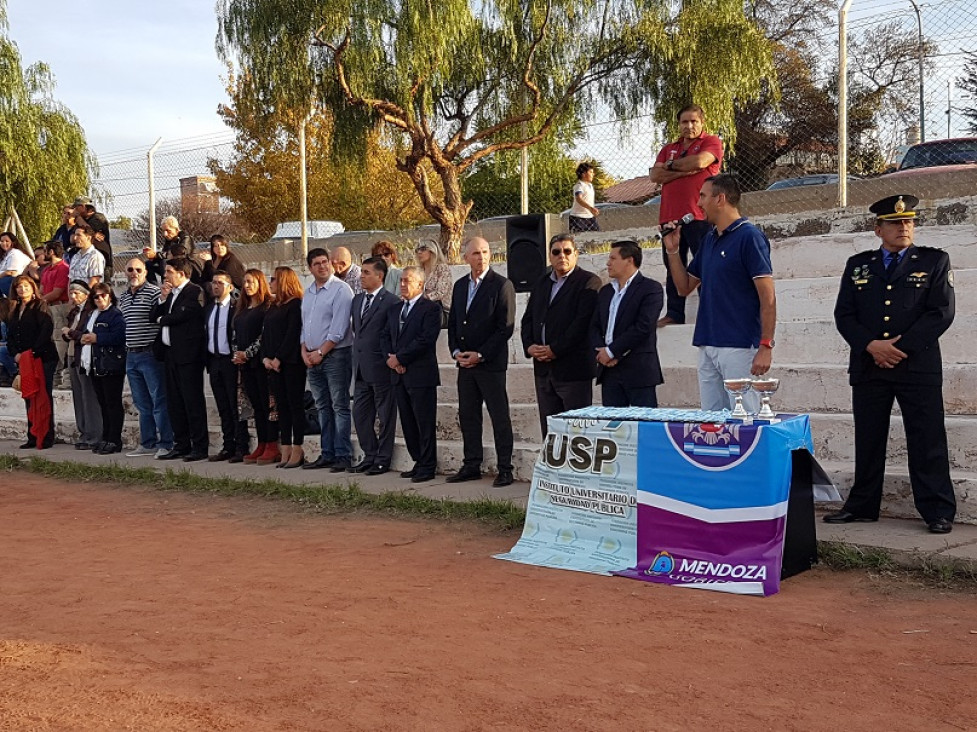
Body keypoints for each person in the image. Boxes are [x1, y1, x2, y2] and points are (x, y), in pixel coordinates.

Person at [825, 194, 957, 535]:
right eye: (896, 223)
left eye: (909, 222)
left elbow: (941, 312)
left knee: (926, 439)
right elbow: (844, 314)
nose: (904, 227)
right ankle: (862, 505)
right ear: (878, 228)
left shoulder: (934, 261)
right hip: (870, 364)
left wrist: (898, 348)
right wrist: (871, 346)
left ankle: (937, 510)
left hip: (917, 365)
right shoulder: (858, 264)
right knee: (869, 438)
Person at [663, 174, 775, 413]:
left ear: (720, 199)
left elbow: (768, 296)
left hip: (739, 345)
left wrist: (766, 345)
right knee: (712, 420)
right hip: (707, 343)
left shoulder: (750, 237)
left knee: (746, 418)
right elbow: (684, 288)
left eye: (703, 196)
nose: (699, 203)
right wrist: (673, 251)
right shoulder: (709, 240)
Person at [445, 237, 516, 487]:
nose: (481, 257)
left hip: (490, 363)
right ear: (466, 257)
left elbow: (504, 328)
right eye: (475, 253)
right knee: (468, 415)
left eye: (485, 252)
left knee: (499, 416)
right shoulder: (460, 286)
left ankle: (505, 468)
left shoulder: (501, 285)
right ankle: (471, 464)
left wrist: (481, 354)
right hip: (465, 364)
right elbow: (453, 322)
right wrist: (456, 352)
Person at [650, 104, 723, 327]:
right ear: (679, 124)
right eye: (684, 122)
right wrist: (683, 168)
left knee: (705, 265)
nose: (689, 126)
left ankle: (710, 311)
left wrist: (669, 169)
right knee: (673, 265)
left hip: (700, 216)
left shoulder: (711, 142)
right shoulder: (668, 148)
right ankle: (674, 313)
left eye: (694, 121)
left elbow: (701, 162)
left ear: (702, 123)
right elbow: (655, 175)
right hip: (670, 217)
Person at [522, 233, 601, 436]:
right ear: (550, 256)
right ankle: (551, 469)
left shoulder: (589, 282)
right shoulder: (542, 283)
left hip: (573, 371)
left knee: (577, 433)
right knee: (550, 433)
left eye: (567, 251)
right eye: (556, 252)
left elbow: (581, 324)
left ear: (576, 254)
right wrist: (529, 346)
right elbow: (528, 318)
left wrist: (554, 350)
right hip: (543, 370)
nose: (562, 256)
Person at [382, 266, 443, 483]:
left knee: (424, 422)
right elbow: (385, 336)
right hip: (398, 375)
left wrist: (401, 358)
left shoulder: (430, 309)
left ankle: (428, 465)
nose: (403, 284)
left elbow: (425, 340)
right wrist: (392, 359)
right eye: (401, 281)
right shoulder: (394, 310)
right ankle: (418, 460)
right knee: (408, 422)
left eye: (408, 281)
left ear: (420, 284)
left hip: (420, 374)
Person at [590, 240, 664, 407]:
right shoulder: (606, 291)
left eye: (613, 258)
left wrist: (612, 351)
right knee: (614, 428)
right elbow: (594, 325)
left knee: (643, 425)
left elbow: (643, 326)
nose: (608, 263)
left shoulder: (650, 288)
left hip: (638, 370)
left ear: (629, 260)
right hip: (609, 371)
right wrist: (601, 351)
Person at [300, 248, 354, 472]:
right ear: (310, 268)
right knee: (322, 406)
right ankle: (327, 452)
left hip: (335, 355)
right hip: (312, 356)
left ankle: (343, 454)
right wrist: (305, 351)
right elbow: (305, 325)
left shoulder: (341, 290)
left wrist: (320, 352)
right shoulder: (309, 292)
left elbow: (339, 329)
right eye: (317, 263)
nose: (322, 266)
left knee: (339, 405)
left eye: (325, 262)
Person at [151, 258, 209, 462]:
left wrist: (163, 319)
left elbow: (183, 315)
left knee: (192, 401)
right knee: (174, 402)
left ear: (181, 273)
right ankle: (181, 444)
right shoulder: (172, 294)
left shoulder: (194, 291)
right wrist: (162, 299)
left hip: (188, 356)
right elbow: (154, 315)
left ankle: (200, 446)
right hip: (170, 355)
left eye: (169, 271)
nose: (165, 276)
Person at [118, 258, 173, 458]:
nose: (134, 273)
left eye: (138, 269)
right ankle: (147, 442)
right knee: (142, 403)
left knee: (159, 400)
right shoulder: (123, 296)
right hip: (131, 354)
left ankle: (166, 442)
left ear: (145, 271)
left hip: (150, 354)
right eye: (130, 269)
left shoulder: (153, 292)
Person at [349, 256, 399, 475]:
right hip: (360, 368)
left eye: (367, 273)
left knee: (385, 416)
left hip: (380, 367)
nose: (362, 276)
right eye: (362, 272)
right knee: (360, 414)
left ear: (380, 276)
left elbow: (392, 334)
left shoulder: (391, 302)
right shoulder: (357, 301)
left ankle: (383, 458)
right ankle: (369, 454)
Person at [262, 267, 307, 469]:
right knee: (281, 407)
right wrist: (266, 358)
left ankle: (298, 446)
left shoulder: (295, 304)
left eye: (273, 279)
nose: (270, 283)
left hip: (290, 364)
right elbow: (266, 334)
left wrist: (279, 357)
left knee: (294, 405)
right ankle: (286, 446)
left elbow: (292, 334)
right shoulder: (273, 305)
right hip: (273, 364)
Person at [232, 269, 278, 465]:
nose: (247, 286)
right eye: (245, 282)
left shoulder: (267, 306)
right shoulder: (242, 308)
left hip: (261, 363)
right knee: (256, 406)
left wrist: (248, 353)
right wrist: (237, 354)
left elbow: (263, 335)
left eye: (251, 282)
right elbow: (235, 334)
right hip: (246, 366)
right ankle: (261, 443)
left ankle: (272, 444)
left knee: (267, 405)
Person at [7, 275, 57, 449]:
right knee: (29, 397)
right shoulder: (14, 309)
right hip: (24, 360)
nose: (23, 290)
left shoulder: (40, 305)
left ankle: (47, 436)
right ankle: (33, 435)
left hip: (42, 358)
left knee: (43, 396)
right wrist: (16, 354)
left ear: (32, 287)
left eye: (26, 286)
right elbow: (11, 336)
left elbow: (46, 330)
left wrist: (33, 352)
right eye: (19, 287)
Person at [205, 272, 250, 462]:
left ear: (230, 287)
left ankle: (241, 446)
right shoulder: (208, 309)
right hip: (214, 361)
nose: (216, 286)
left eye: (220, 283)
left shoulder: (235, 308)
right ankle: (228, 445)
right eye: (214, 283)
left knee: (234, 406)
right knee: (222, 406)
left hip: (230, 362)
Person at [80, 283, 127, 455]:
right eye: (96, 296)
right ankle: (106, 437)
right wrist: (84, 337)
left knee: (113, 403)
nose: (100, 299)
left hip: (111, 364)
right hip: (95, 363)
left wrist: (97, 338)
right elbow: (83, 332)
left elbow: (120, 336)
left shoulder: (115, 315)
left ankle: (114, 439)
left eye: (103, 295)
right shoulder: (92, 315)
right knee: (103, 403)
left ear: (110, 296)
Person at [62, 280, 102, 449]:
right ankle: (84, 432)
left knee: (88, 395)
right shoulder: (74, 311)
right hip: (72, 355)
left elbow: (85, 334)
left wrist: (70, 332)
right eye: (71, 293)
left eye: (77, 293)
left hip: (84, 356)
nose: (73, 296)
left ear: (86, 294)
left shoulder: (90, 311)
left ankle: (94, 434)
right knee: (78, 395)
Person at [39, 240, 70, 384]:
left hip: (58, 306)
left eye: (45, 251)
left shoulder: (63, 268)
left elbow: (57, 292)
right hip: (47, 307)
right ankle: (56, 375)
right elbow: (42, 289)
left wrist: (41, 301)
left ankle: (66, 373)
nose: (43, 254)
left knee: (60, 340)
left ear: (51, 252)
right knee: (50, 340)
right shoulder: (46, 269)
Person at [71, 196, 113, 279]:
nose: (75, 211)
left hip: (101, 258)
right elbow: (72, 237)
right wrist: (93, 233)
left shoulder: (98, 218)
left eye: (76, 208)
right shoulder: (81, 221)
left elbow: (89, 231)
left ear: (83, 206)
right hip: (86, 258)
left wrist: (80, 220)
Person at [145, 216, 194, 284]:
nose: (165, 234)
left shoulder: (185, 237)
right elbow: (164, 253)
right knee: (148, 264)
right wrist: (152, 258)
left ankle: (166, 284)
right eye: (164, 231)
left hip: (185, 266)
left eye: (168, 230)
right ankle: (155, 288)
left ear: (176, 229)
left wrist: (156, 255)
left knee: (164, 261)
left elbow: (180, 253)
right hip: (171, 266)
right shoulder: (169, 239)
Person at [414, 239, 452, 320]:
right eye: (417, 250)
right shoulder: (418, 270)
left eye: (423, 249)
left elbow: (440, 292)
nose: (419, 252)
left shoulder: (442, 268)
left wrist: (422, 297)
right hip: (422, 308)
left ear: (432, 250)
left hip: (442, 310)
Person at [67, 222, 105, 290]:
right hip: (74, 297)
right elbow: (70, 280)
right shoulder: (75, 256)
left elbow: (94, 281)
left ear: (88, 237)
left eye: (79, 235)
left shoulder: (95, 256)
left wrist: (84, 296)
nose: (75, 238)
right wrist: (70, 298)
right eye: (75, 235)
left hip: (86, 298)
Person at [568, 162, 600, 233]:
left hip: (590, 217)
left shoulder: (590, 186)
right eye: (591, 172)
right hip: (578, 217)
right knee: (579, 239)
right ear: (583, 174)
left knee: (597, 236)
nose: (593, 174)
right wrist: (590, 208)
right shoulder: (579, 185)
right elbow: (579, 198)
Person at [0, 231, 34, 297]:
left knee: (3, 281)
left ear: (12, 242)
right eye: (2, 241)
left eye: (7, 241)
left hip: (15, 280)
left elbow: (12, 272)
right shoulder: (5, 255)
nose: (4, 243)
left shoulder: (15, 253)